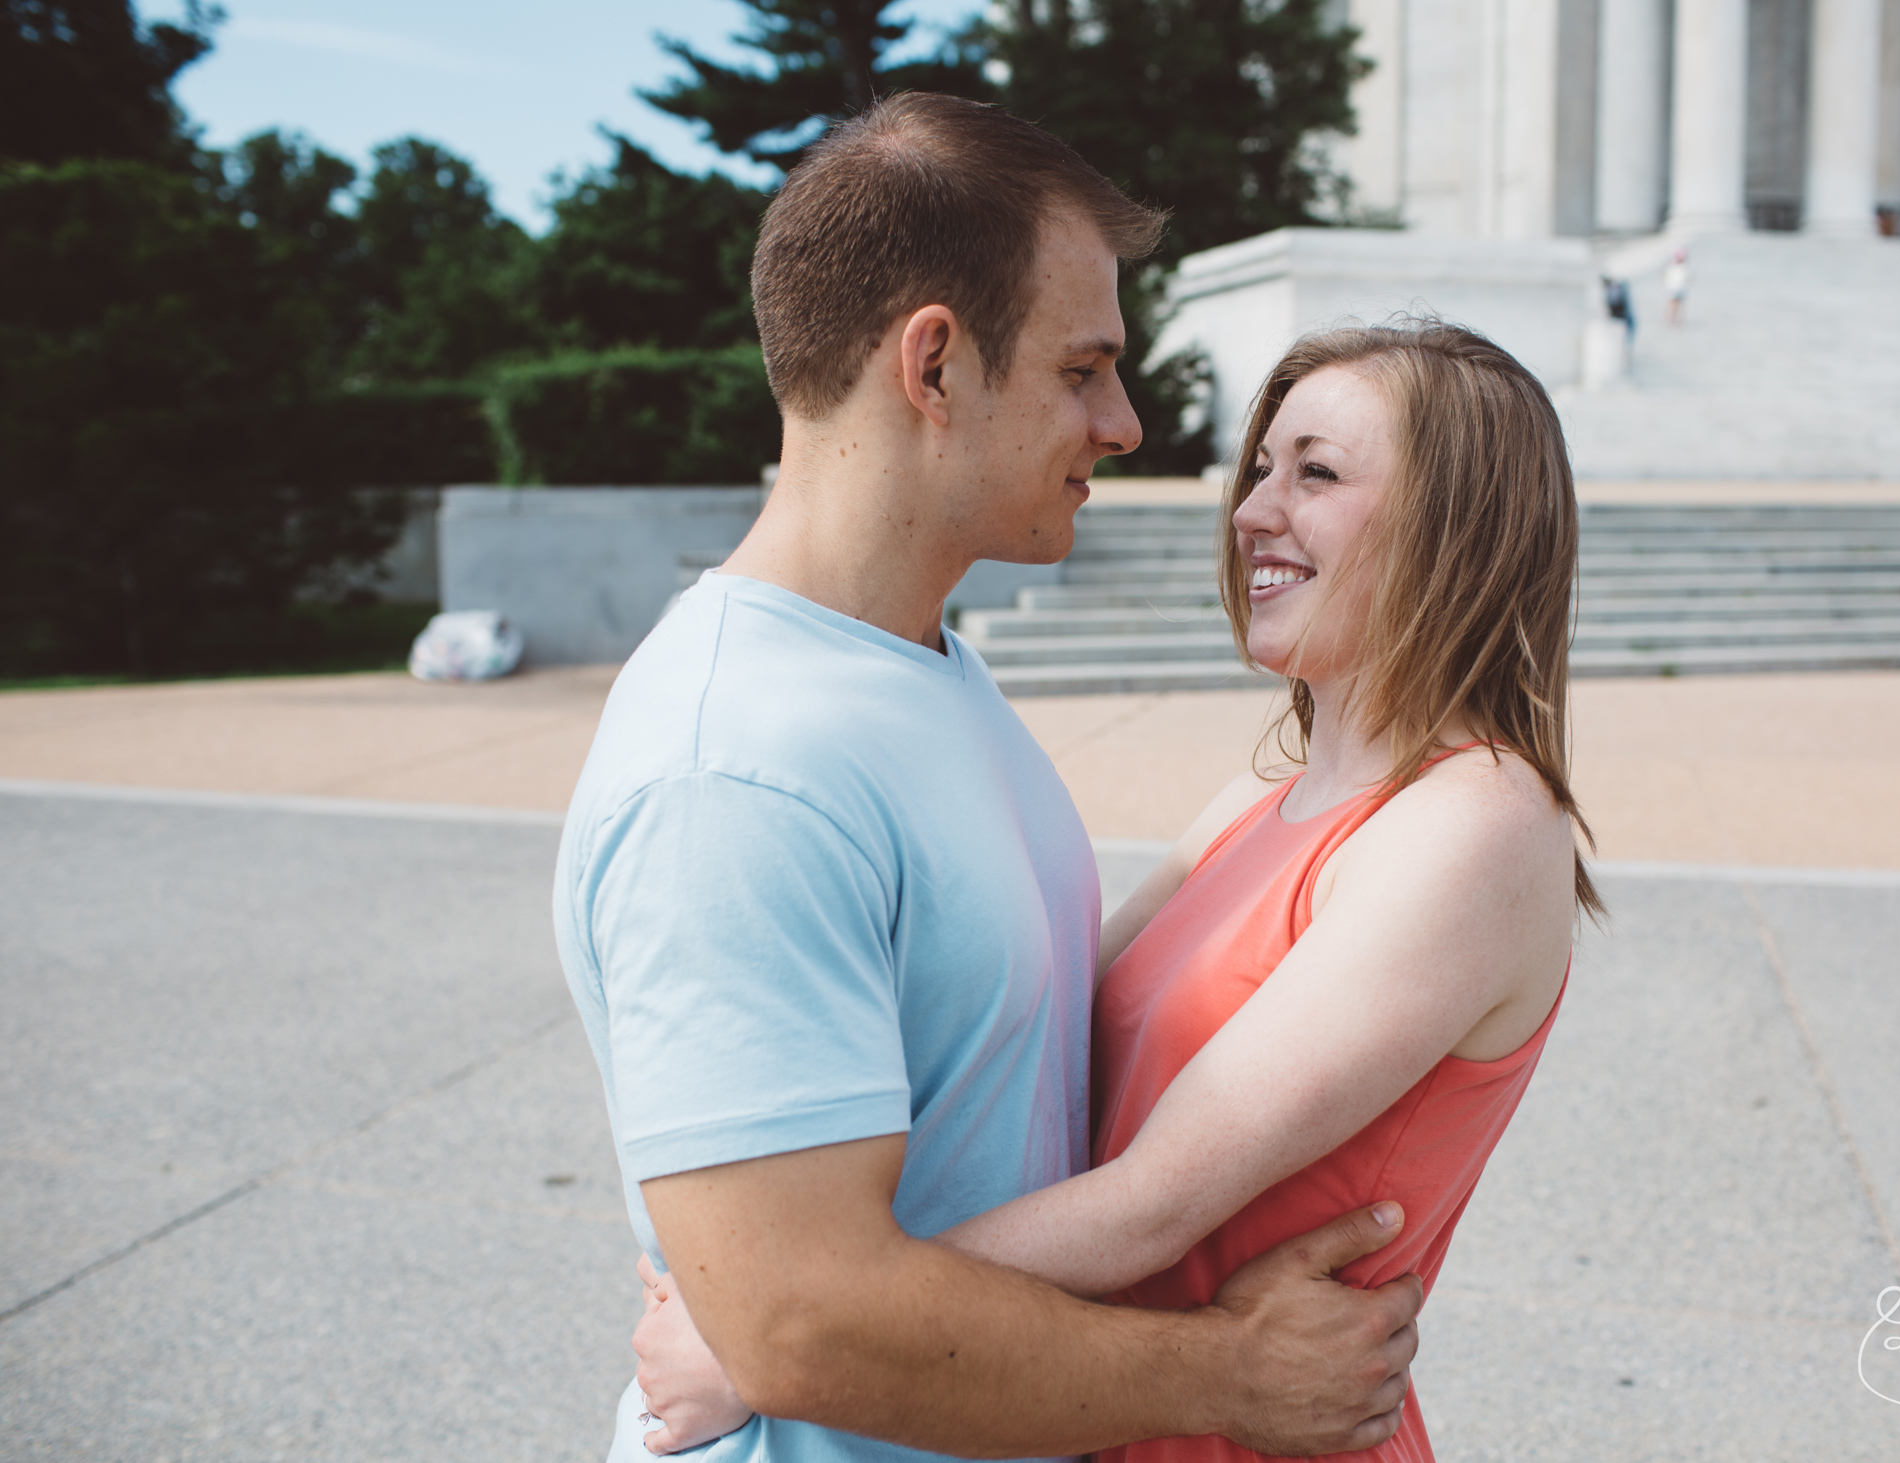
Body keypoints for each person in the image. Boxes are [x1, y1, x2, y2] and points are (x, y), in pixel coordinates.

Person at [554, 93, 1425, 1463]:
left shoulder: (922, 670)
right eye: (1083, 368)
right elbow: (801, 1325)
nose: (1125, 422)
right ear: (935, 364)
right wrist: (1229, 1376)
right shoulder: (738, 769)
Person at [633, 318, 1596, 1463]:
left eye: (1317, 472)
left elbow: (1151, 1202)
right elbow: (1050, 1028)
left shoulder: (1477, 820)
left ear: (1458, 528)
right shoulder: (1270, 786)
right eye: (1261, 469)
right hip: (1114, 1411)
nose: (1250, 511)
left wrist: (777, 1329)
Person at [1663, 248, 1689, 325]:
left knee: (1677, 305)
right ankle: (1672, 318)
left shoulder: (1679, 267)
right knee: (1674, 304)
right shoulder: (1675, 267)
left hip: (1678, 288)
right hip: (1674, 288)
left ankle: (1674, 318)